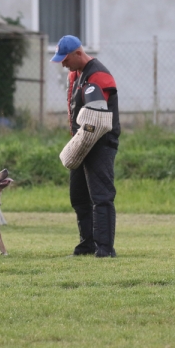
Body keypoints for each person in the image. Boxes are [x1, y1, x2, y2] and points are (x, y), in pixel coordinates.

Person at [51, 35, 119, 258]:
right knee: (79, 196)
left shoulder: (98, 74)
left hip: (99, 142)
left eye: (65, 58)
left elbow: (98, 118)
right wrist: (76, 143)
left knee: (101, 196)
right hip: (81, 141)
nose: (62, 63)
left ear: (78, 53)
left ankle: (105, 249)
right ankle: (87, 244)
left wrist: (81, 144)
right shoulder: (76, 75)